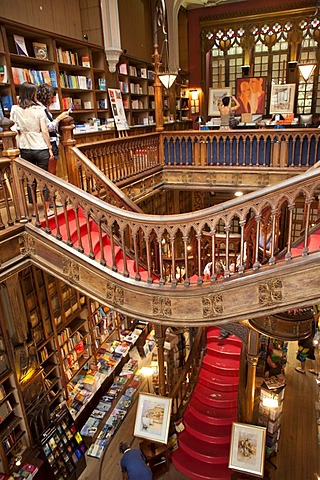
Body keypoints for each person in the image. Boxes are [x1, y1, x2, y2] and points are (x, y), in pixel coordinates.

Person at [10, 82, 54, 216]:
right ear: (32, 94)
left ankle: (34, 210)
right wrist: (50, 148)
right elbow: (44, 131)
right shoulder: (39, 110)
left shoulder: (15, 109)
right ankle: (47, 209)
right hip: (40, 147)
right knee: (44, 179)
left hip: (25, 148)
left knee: (30, 181)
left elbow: (13, 128)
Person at [37, 83, 69, 208]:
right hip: (48, 145)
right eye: (52, 97)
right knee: (50, 175)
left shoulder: (44, 109)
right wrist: (59, 119)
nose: (54, 100)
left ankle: (51, 200)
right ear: (47, 96)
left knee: (52, 174)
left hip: (52, 143)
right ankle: (50, 201)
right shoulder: (40, 110)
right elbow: (47, 127)